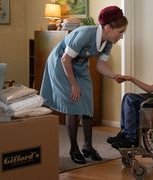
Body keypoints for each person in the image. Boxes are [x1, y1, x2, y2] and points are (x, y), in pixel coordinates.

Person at [40, 6, 128, 164]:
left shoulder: (108, 42)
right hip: (61, 63)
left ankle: (88, 146)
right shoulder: (85, 33)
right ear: (108, 27)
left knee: (87, 104)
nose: (121, 36)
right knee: (74, 102)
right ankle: (74, 148)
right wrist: (74, 85)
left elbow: (100, 66)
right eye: (120, 32)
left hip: (80, 66)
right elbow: (65, 59)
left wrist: (115, 76)